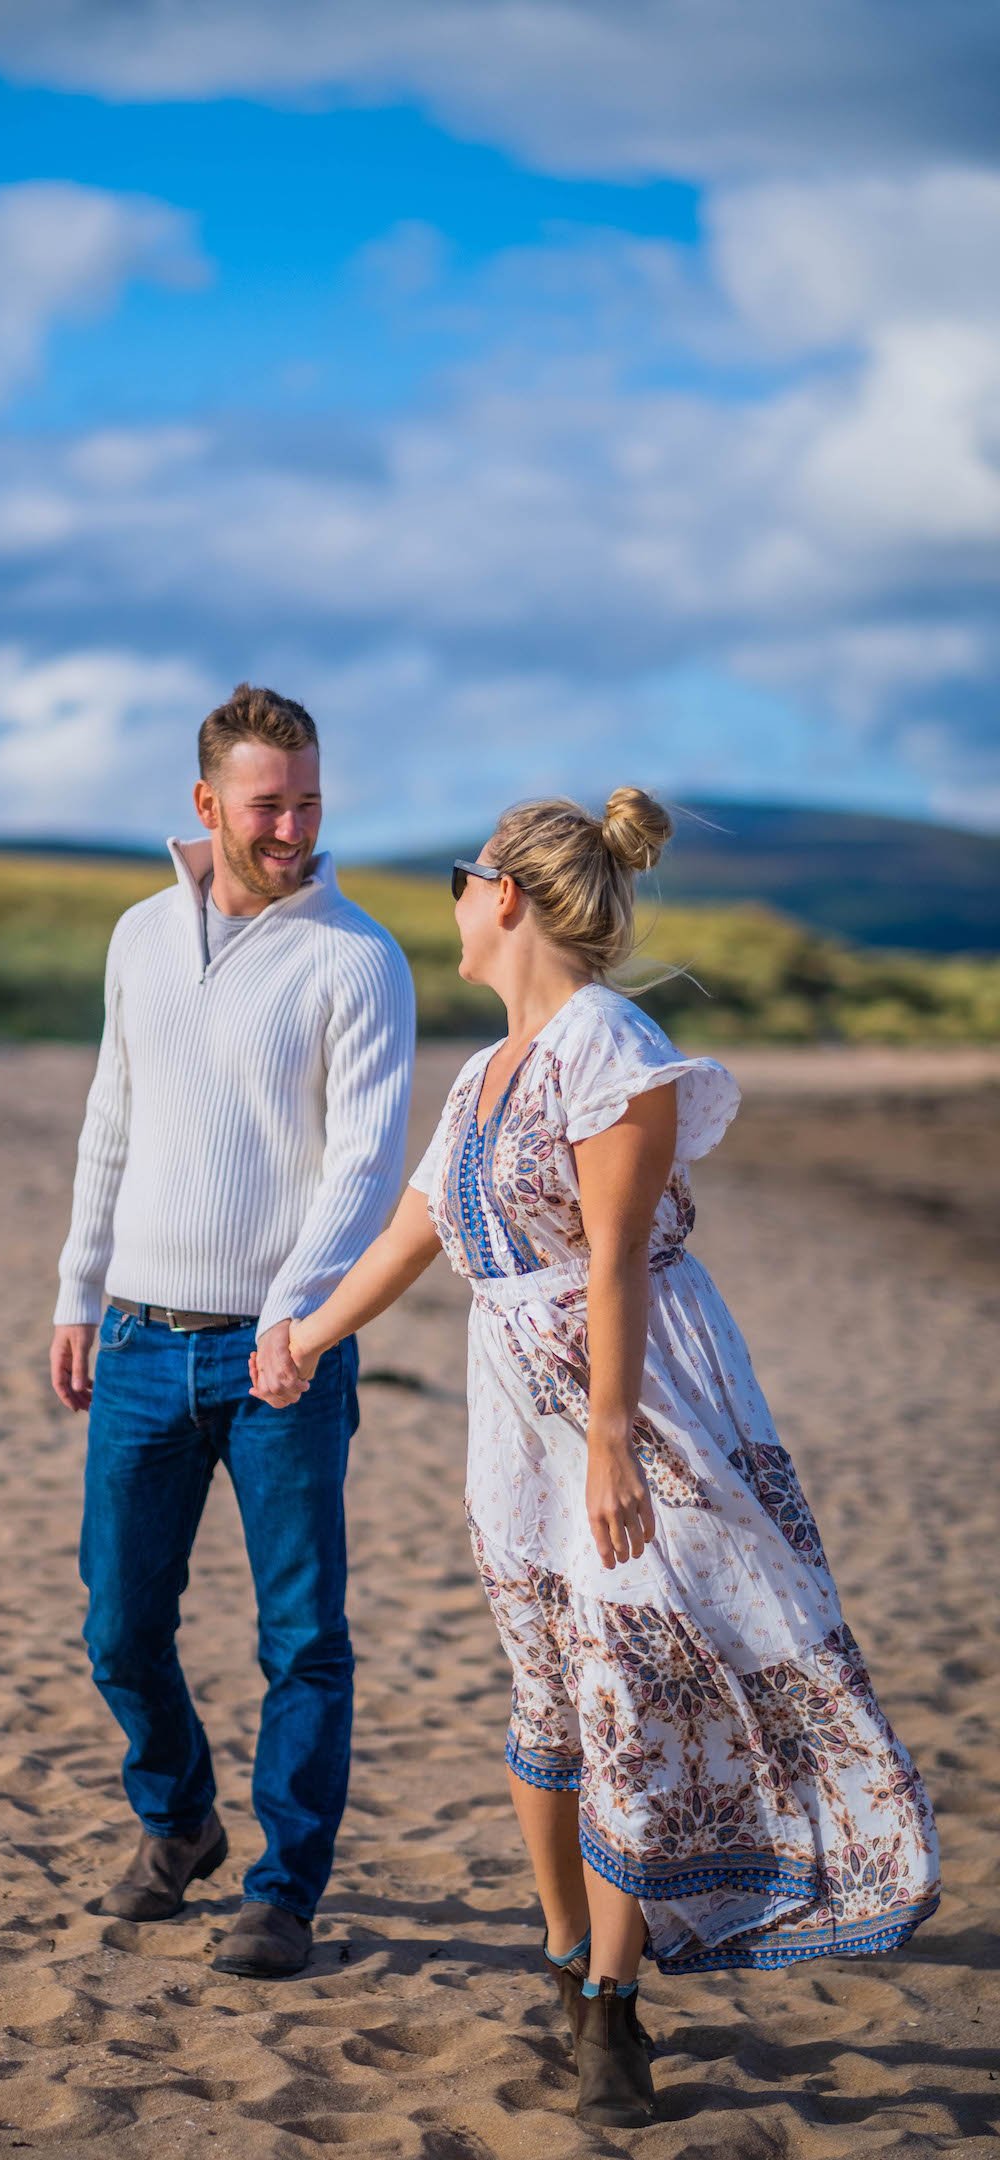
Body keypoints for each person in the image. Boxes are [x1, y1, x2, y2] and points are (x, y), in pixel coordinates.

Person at [252, 787, 940, 2125]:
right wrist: (308, 1336)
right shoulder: (483, 1070)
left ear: (502, 892)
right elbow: (413, 1230)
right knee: (548, 1691)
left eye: (462, 877)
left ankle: (618, 2008)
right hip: (516, 1414)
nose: (450, 901)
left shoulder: (609, 1044)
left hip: (638, 1404)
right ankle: (570, 1959)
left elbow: (618, 1258)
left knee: (630, 1678)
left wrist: (614, 1444)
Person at [50, 683, 416, 1979]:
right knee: (118, 1627)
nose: (295, 826)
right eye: (269, 804)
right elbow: (113, 1116)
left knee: (303, 1637)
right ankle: (180, 1820)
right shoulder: (140, 935)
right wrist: (75, 1291)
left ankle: (285, 1889)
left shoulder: (359, 956)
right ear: (207, 806)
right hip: (143, 1343)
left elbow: (366, 1174)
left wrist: (291, 1322)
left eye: (311, 799)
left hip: (290, 1360)